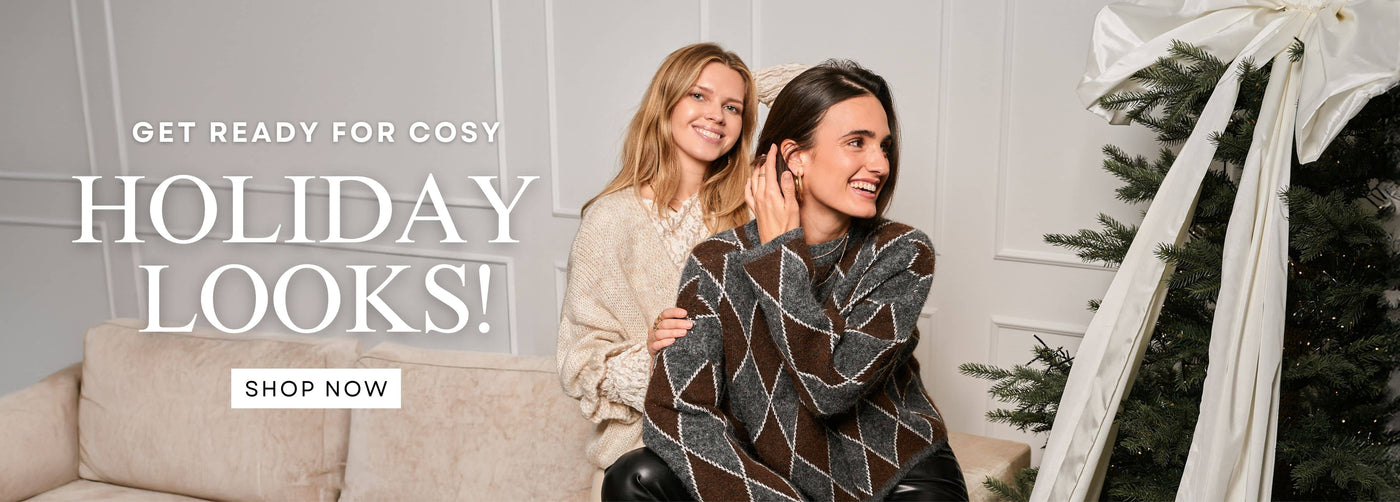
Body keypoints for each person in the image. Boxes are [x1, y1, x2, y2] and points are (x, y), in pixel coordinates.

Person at [605, 60, 968, 501]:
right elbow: (676, 411)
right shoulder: (717, 260)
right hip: (774, 476)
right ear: (795, 158)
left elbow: (830, 388)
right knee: (634, 476)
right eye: (857, 142)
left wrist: (779, 255)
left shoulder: (902, 252)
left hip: (893, 479)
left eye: (884, 147)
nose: (880, 164)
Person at [556, 42, 758, 500]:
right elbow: (581, 364)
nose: (716, 115)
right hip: (646, 453)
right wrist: (653, 353)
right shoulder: (609, 220)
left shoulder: (754, 213)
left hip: (751, 442)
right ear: (665, 103)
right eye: (698, 96)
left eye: (733, 107)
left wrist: (758, 86)